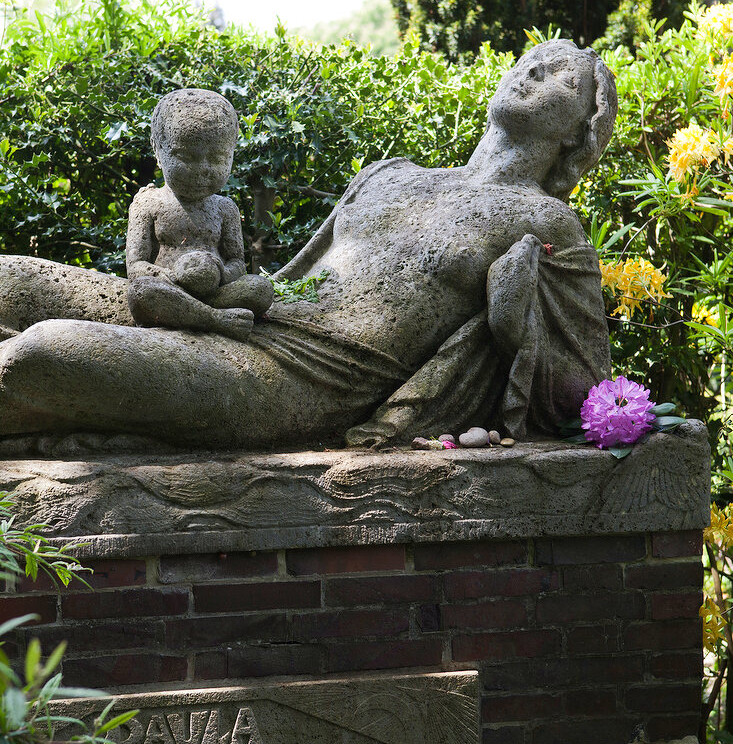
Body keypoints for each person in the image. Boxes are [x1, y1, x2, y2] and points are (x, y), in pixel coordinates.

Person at [0, 40, 616, 450]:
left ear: (577, 135)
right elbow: (295, 271)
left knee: (46, 353)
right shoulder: (391, 174)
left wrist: (512, 321)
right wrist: (214, 290)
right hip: (245, 317)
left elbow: (579, 395)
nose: (535, 71)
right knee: (10, 280)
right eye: (532, 59)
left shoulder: (546, 222)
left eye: (565, 77)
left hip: (299, 380)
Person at [126, 88, 273, 343]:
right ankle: (215, 320)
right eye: (186, 157)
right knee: (142, 292)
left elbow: (237, 261)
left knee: (260, 289)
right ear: (158, 150)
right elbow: (136, 266)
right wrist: (173, 276)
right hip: (170, 288)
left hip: (216, 292)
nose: (202, 170)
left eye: (217, 158)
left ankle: (196, 311)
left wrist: (220, 273)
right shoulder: (148, 203)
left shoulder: (225, 208)